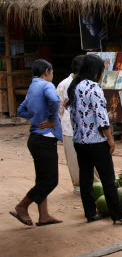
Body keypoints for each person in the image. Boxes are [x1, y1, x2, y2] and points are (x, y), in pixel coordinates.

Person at [66, 54, 122, 225]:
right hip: (96, 142)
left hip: (79, 142)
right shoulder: (94, 88)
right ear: (96, 71)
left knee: (86, 178)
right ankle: (119, 215)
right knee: (108, 180)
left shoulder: (74, 86)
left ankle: (90, 213)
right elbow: (102, 119)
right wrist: (110, 140)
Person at [10, 59, 63, 226]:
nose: (52, 75)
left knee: (42, 179)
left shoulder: (32, 87)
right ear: (47, 71)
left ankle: (44, 215)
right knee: (50, 180)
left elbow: (21, 110)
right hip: (45, 138)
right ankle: (22, 206)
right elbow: (55, 101)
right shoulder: (47, 86)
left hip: (34, 139)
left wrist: (35, 117)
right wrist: (51, 119)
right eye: (52, 72)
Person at [57, 55, 100, 195]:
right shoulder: (64, 84)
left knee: (91, 159)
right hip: (70, 128)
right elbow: (60, 109)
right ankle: (79, 186)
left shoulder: (89, 84)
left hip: (88, 129)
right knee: (74, 160)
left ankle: (96, 185)